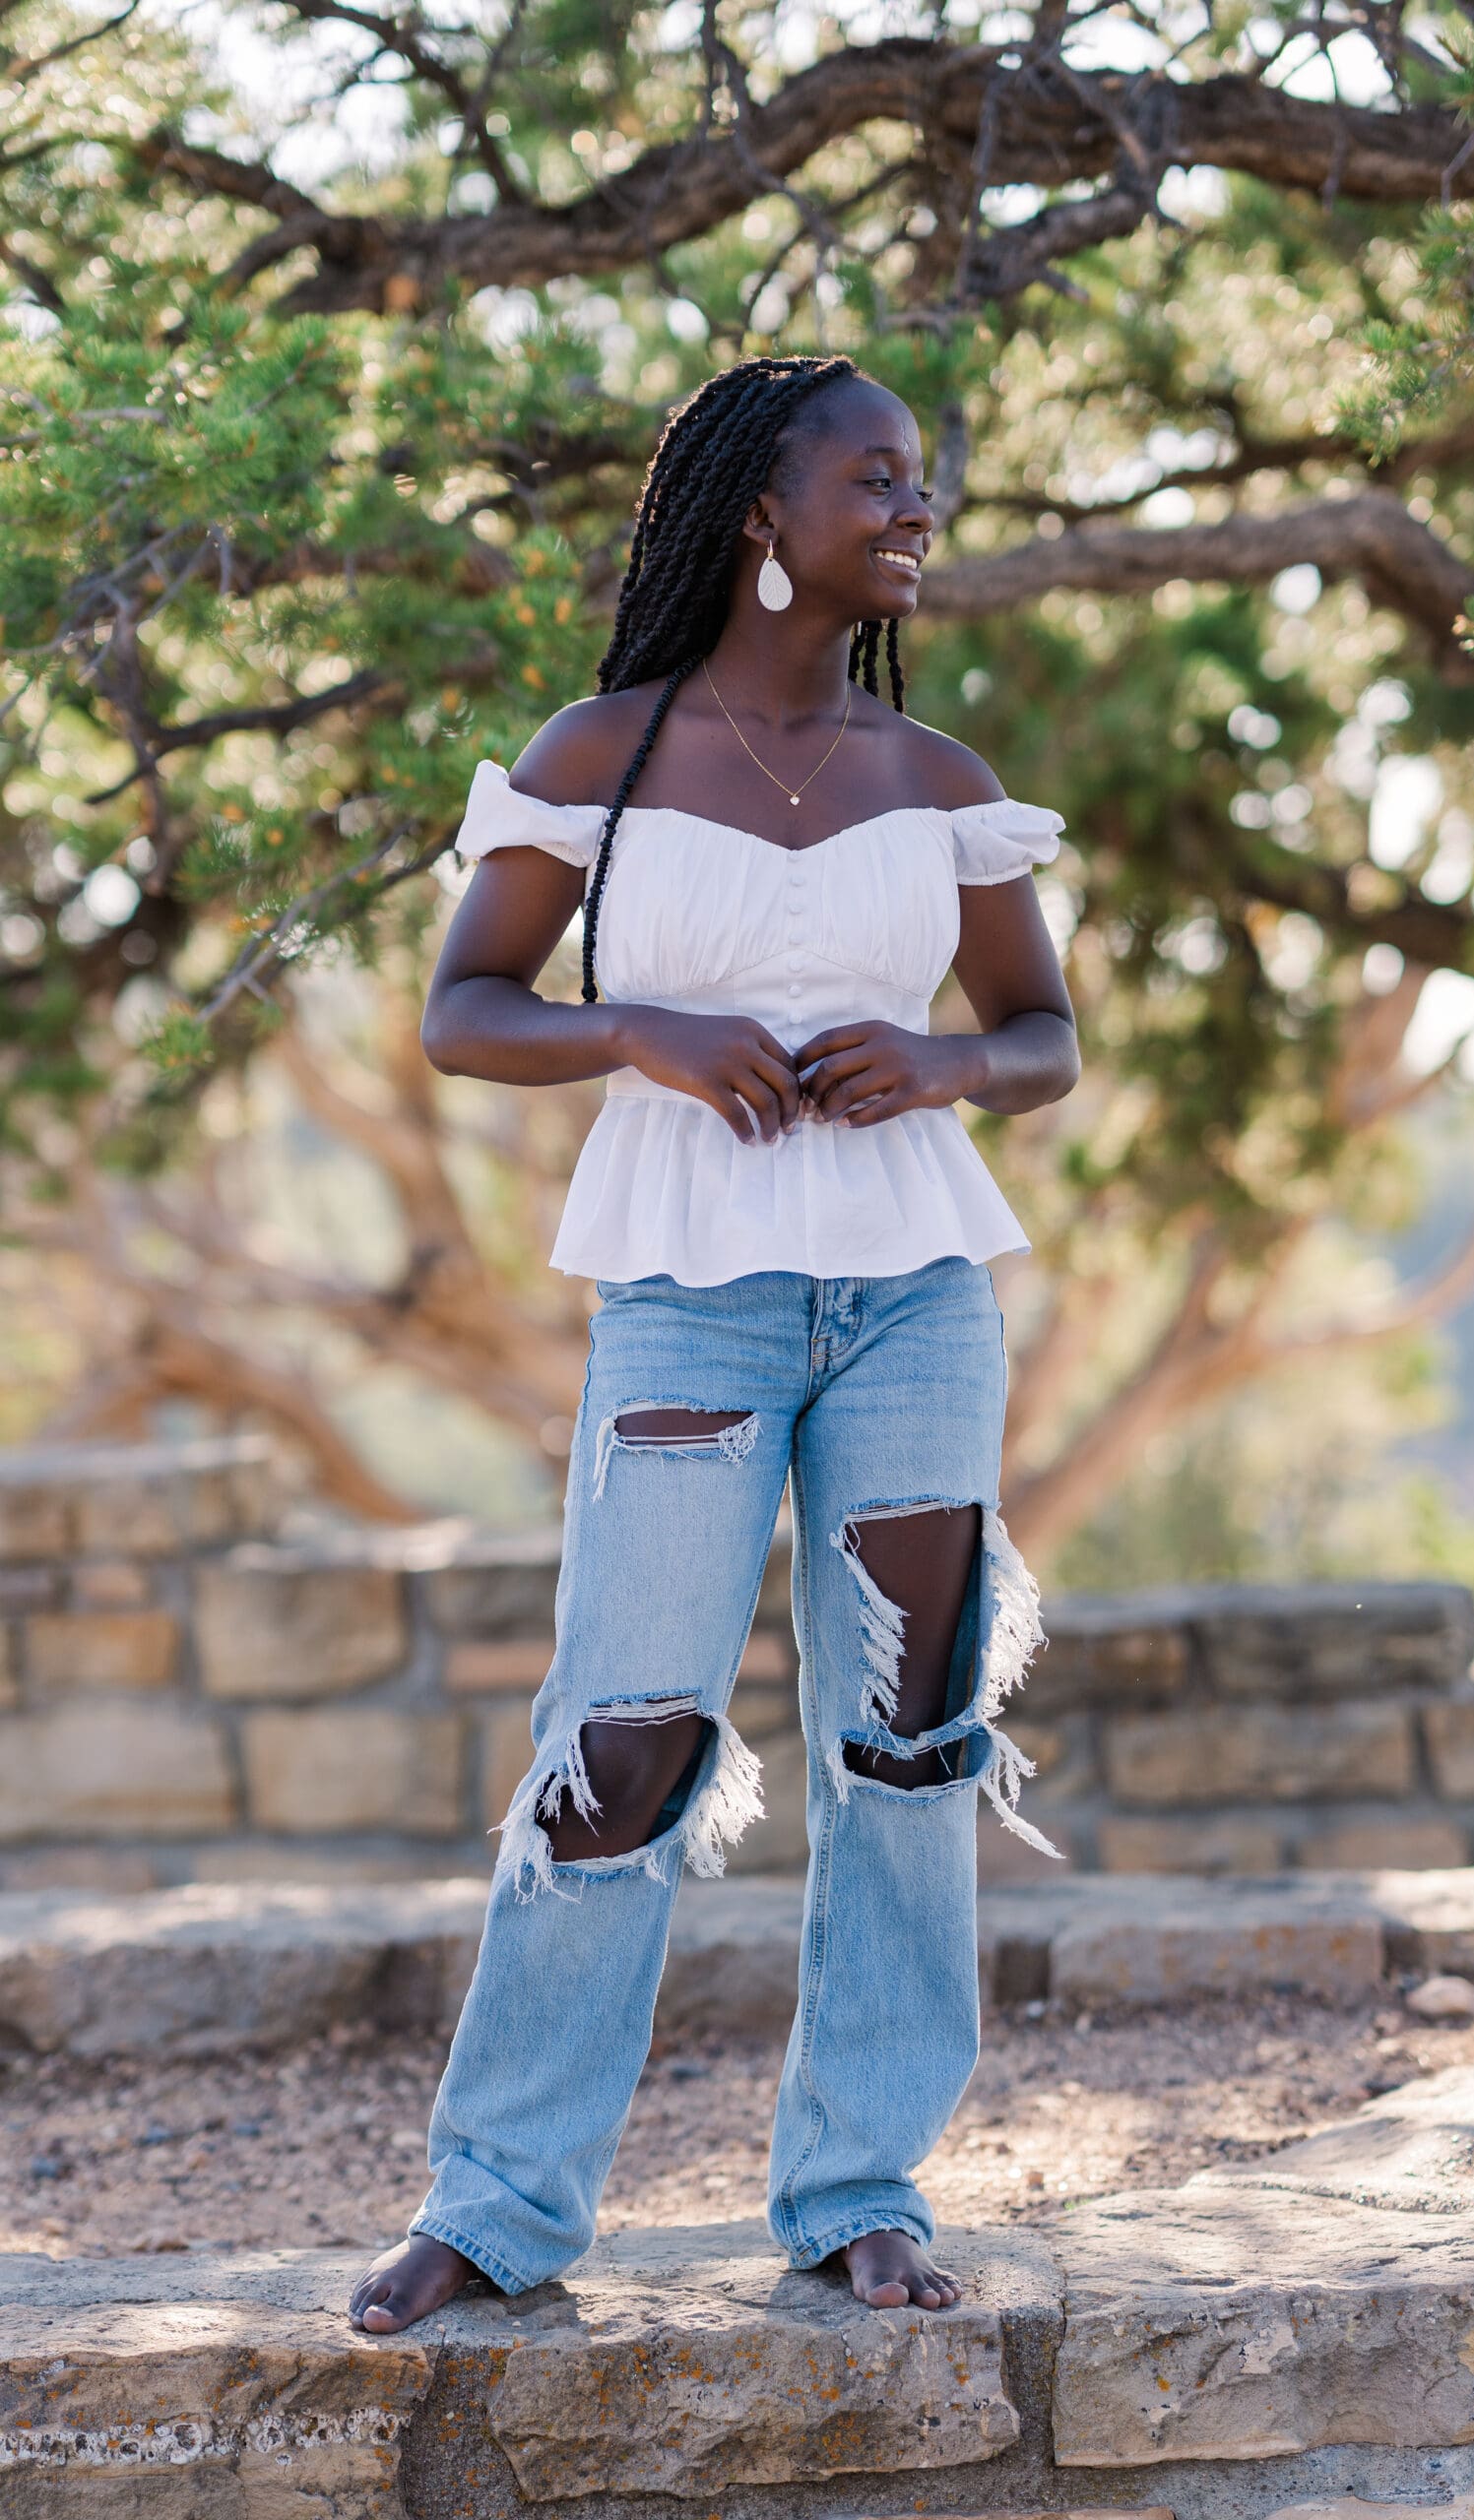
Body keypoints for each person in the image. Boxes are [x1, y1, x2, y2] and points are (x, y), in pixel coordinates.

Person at [349, 351, 1080, 2336]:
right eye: (879, 478)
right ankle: (498, 2203)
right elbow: (465, 1005)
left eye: (923, 481)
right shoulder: (598, 752)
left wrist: (938, 1055)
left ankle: (861, 2184)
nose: (916, 510)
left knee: (911, 1732)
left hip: (916, 1292)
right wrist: (636, 1030)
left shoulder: (939, 786)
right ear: (764, 510)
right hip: (688, 1286)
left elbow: (1043, 1042)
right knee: (626, 1733)